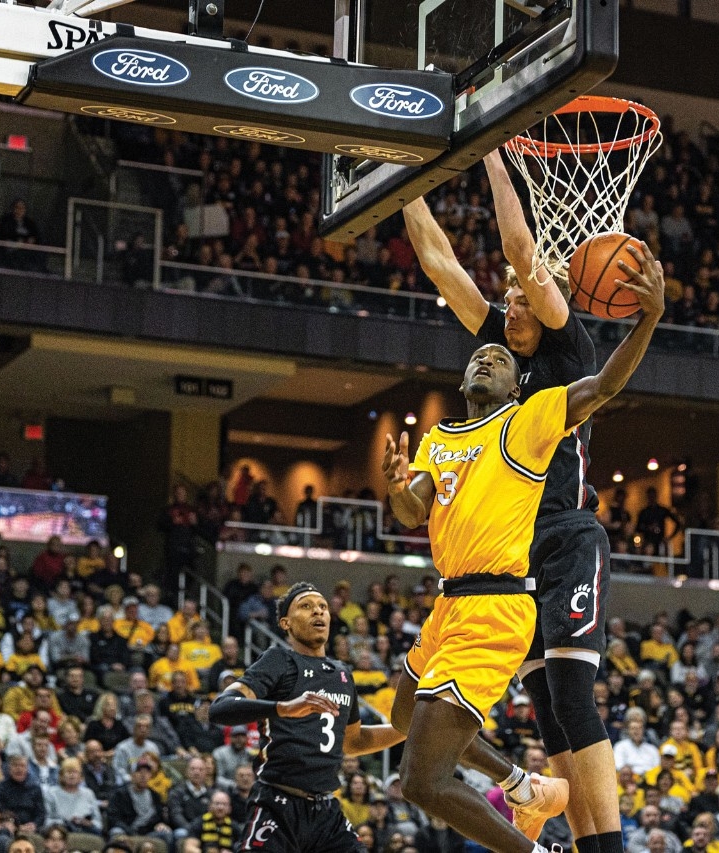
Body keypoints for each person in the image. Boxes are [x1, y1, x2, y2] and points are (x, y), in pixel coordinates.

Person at [398, 149, 665, 853]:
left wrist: (487, 152)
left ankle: (608, 846)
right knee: (546, 709)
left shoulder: (565, 345)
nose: (510, 304)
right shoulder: (494, 356)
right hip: (512, 551)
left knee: (573, 697)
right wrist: (398, 177)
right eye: (507, 298)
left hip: (568, 533)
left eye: (521, 295)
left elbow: (521, 249)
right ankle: (575, 839)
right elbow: (437, 262)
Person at [207, 582, 404, 852]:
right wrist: (282, 708)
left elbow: (354, 742)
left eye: (323, 607)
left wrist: (407, 730)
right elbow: (220, 708)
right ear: (285, 623)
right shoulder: (279, 660)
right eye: (306, 606)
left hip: (326, 812)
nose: (318, 612)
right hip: (277, 804)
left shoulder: (342, 674)